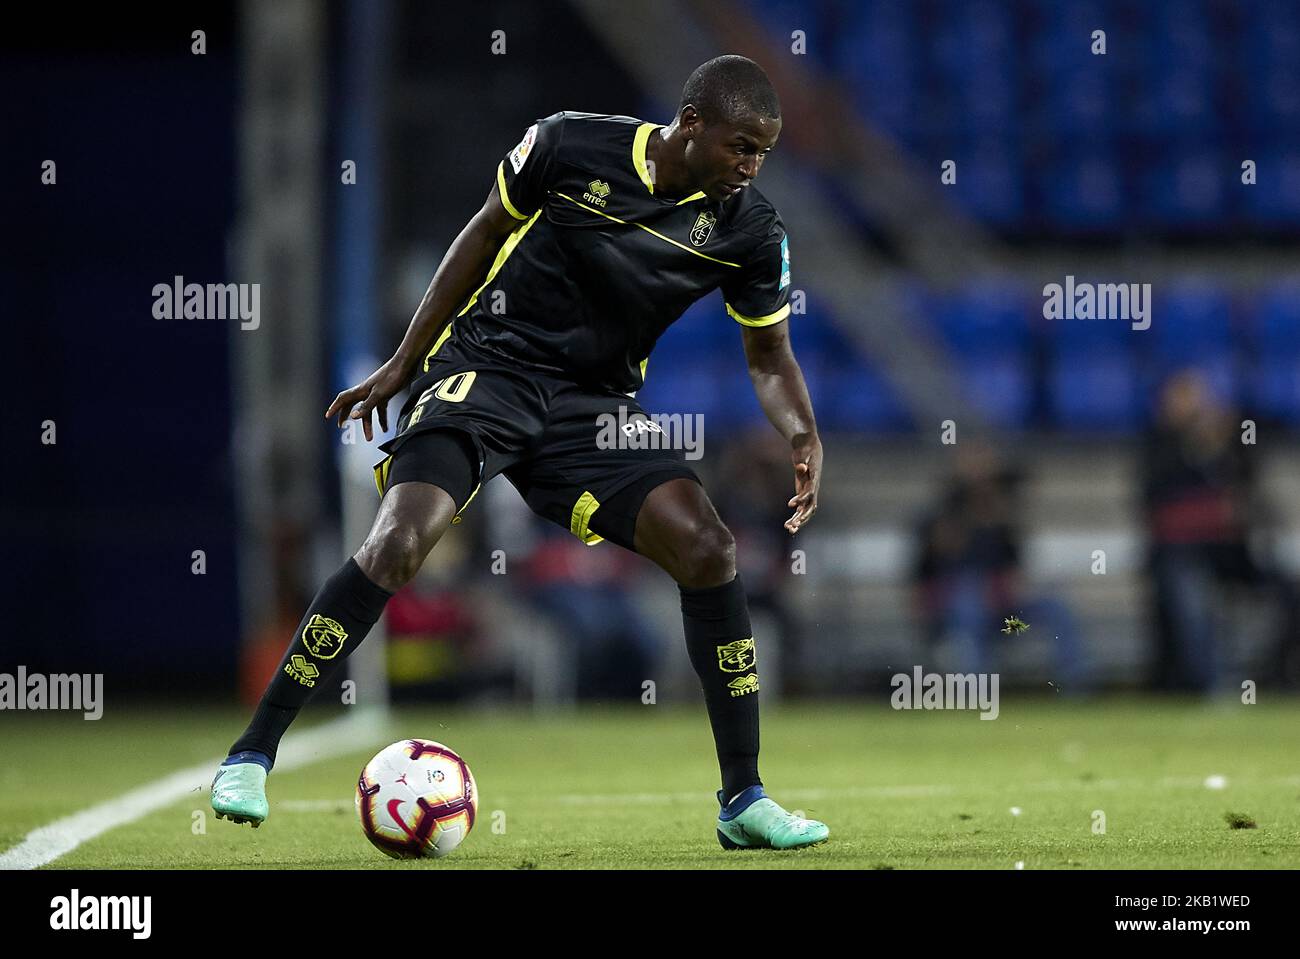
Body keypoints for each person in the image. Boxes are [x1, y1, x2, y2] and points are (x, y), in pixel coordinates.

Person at [211, 55, 828, 850]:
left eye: (763, 153)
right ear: (692, 124)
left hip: (593, 412)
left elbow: (769, 356)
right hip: (486, 370)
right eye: (741, 145)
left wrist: (802, 431)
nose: (750, 166)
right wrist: (405, 362)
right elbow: (482, 235)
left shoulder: (749, 229)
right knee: (399, 543)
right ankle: (252, 754)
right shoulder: (569, 146)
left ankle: (743, 797)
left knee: (709, 547)